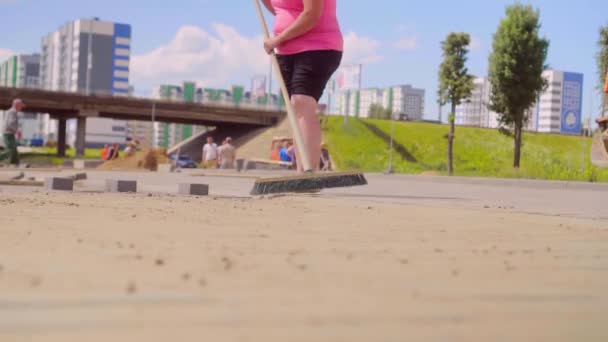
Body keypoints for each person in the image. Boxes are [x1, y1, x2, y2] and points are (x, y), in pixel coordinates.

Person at [261, 0, 343, 173]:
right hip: (286, 51)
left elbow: (311, 15)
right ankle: (301, 170)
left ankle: (309, 171)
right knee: (296, 110)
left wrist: (277, 39)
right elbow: (279, 8)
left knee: (302, 103)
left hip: (318, 47)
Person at [0, 99, 25, 166]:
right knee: (10, 151)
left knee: (14, 150)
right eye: (21, 106)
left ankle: (15, 164)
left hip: (10, 133)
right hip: (8, 134)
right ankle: (14, 164)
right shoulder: (12, 112)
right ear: (17, 105)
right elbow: (10, 123)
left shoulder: (13, 112)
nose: (21, 107)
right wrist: (16, 130)